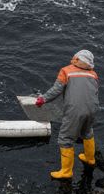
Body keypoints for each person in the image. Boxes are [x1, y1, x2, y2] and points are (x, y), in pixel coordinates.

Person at [34, 49, 99, 180]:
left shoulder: (66, 71)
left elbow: (56, 90)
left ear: (78, 59)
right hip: (92, 108)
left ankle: (66, 171)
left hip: (75, 110)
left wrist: (43, 99)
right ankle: (90, 158)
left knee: (65, 138)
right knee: (87, 132)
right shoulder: (93, 74)